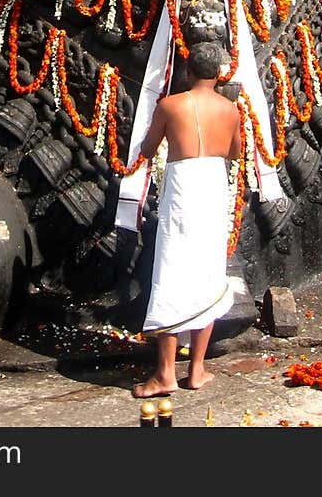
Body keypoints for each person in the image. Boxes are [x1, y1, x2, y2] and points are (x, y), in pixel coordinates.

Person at [131, 41, 242, 398]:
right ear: (218, 74)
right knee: (208, 273)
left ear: (188, 71)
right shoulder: (230, 109)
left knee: (172, 273)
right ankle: (196, 369)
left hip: (182, 193)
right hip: (212, 188)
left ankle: (166, 375)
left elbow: (147, 149)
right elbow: (235, 152)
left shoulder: (169, 105)